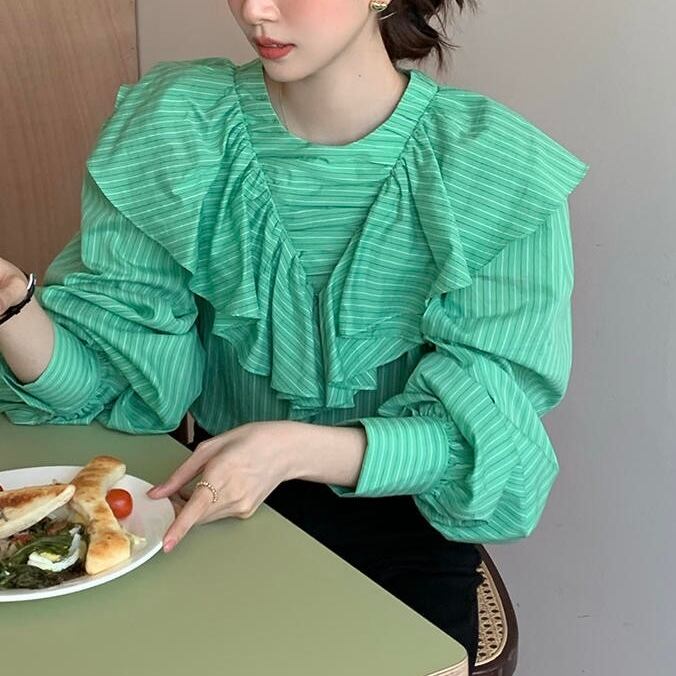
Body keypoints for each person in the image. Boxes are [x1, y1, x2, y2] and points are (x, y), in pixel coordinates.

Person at [0, 0, 589, 665]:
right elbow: (108, 387)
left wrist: (294, 450)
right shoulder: (180, 126)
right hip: (212, 514)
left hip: (406, 530)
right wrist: (13, 307)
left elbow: (485, 445)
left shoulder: (492, 169)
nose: (255, 10)